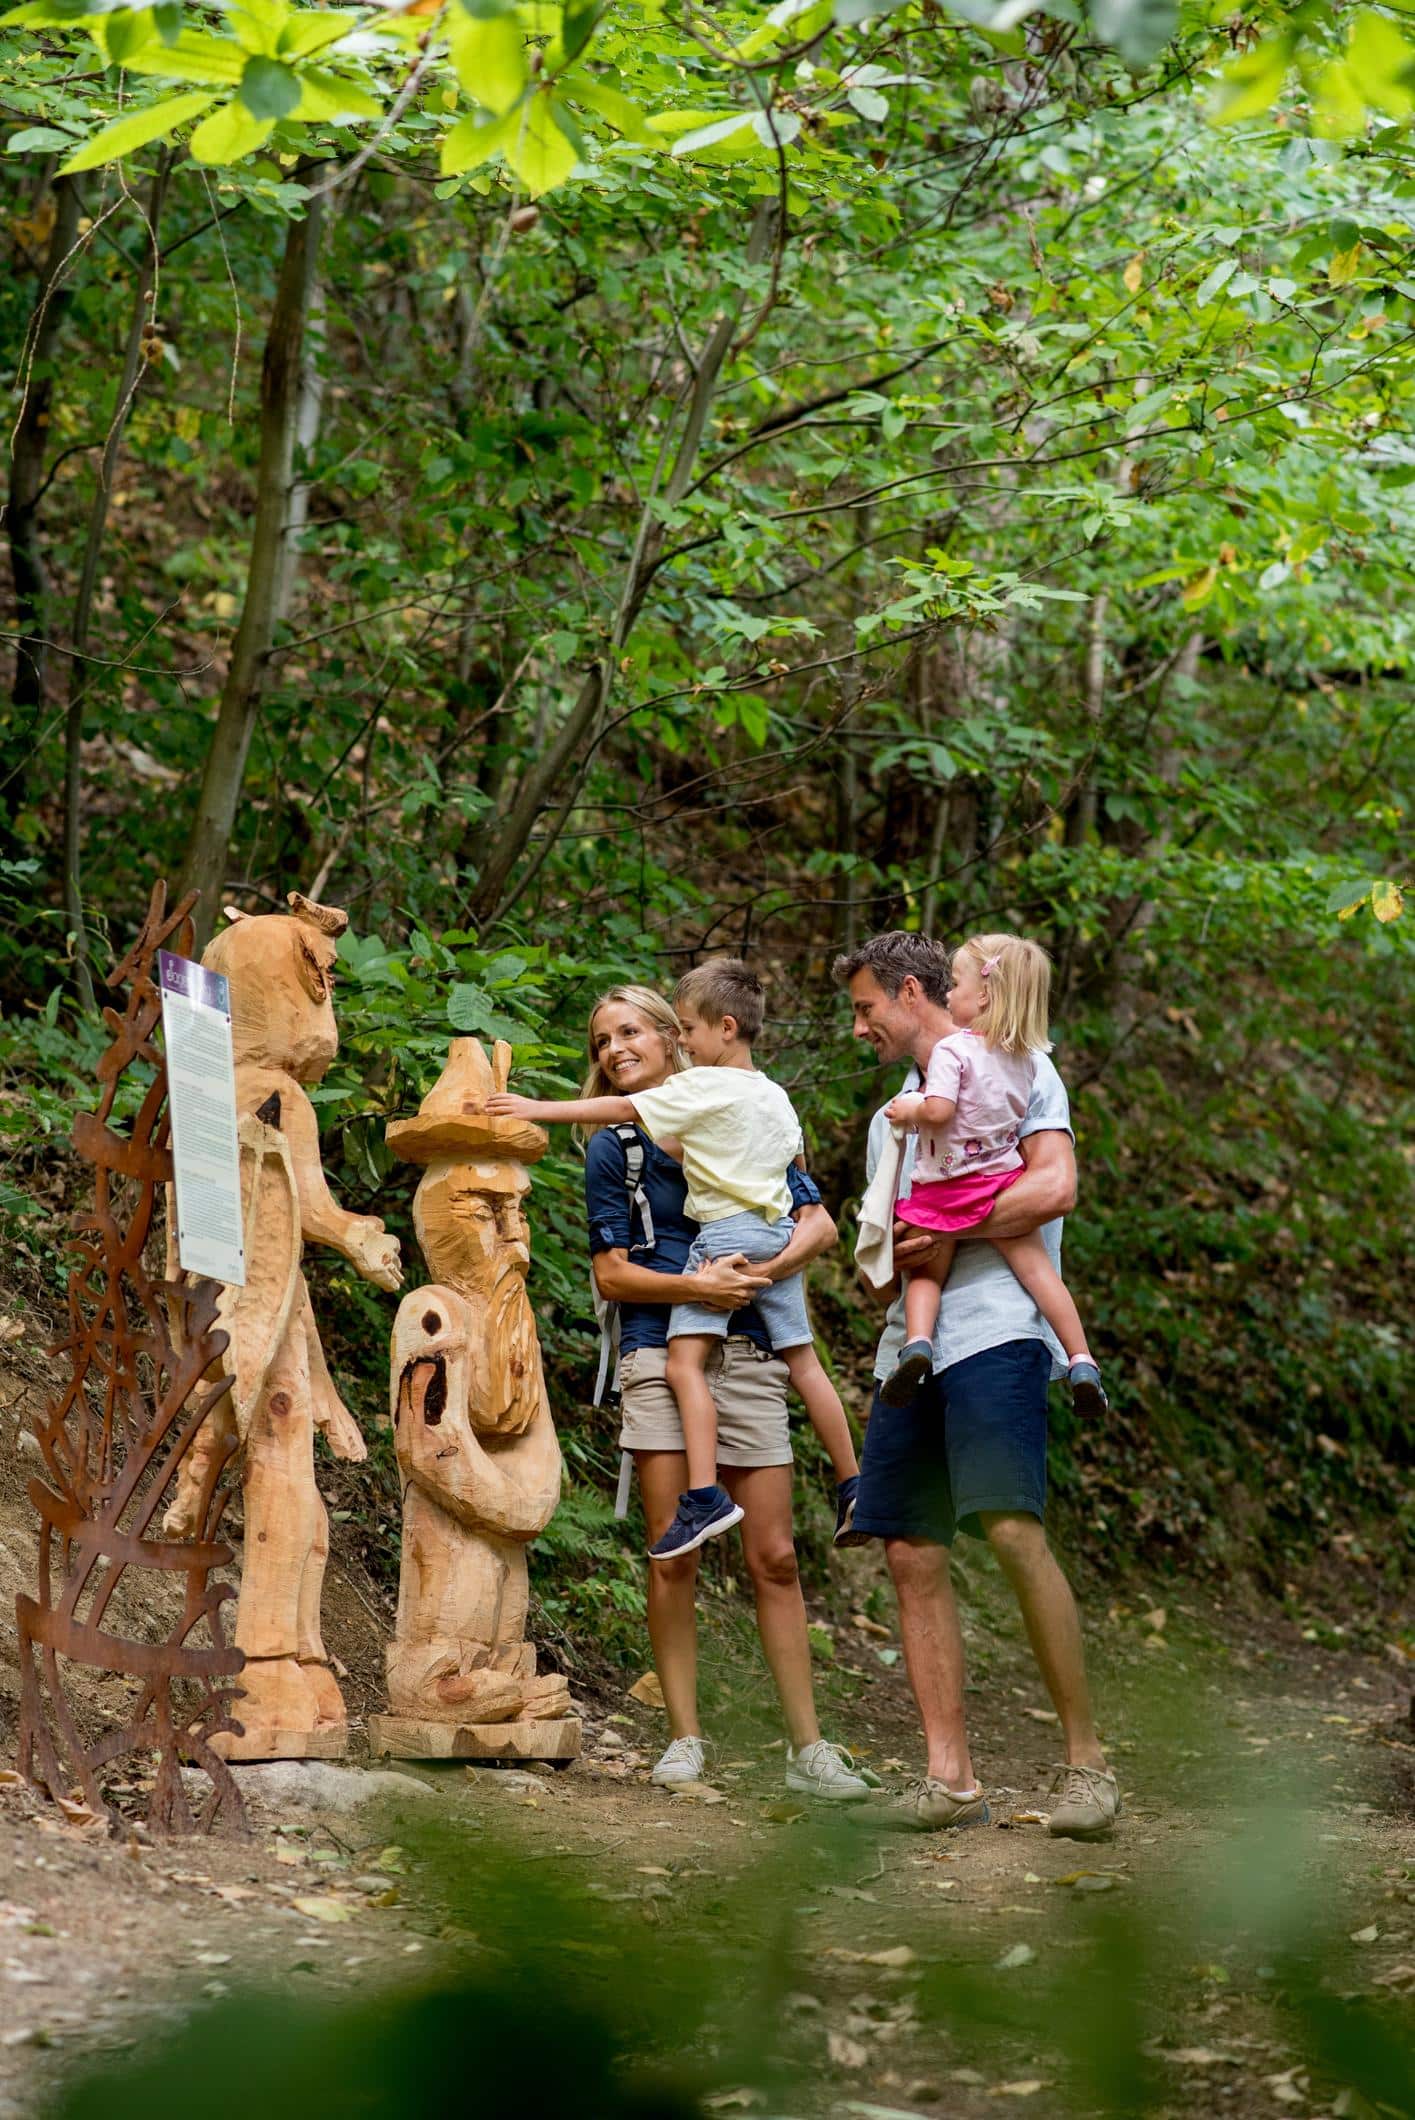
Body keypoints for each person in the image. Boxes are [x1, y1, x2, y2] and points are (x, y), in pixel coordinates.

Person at [834, 931, 1120, 1841]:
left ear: (915, 995)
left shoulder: (1025, 1068)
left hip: (999, 1329)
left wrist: (943, 1234)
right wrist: (899, 1258)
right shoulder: (892, 1118)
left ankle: (1088, 1768)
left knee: (1008, 1528)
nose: (858, 1028)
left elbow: (1054, 1188)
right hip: (906, 1348)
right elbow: (879, 1267)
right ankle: (949, 1778)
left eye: (866, 1008)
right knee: (910, 1550)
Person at [562, 982, 874, 1802]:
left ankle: (808, 1751)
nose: (614, 1049)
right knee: (675, 1553)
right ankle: (683, 1738)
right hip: (660, 1355)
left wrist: (758, 1276)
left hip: (753, 1353)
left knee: (774, 1555)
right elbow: (612, 1274)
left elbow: (814, 1220)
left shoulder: (740, 1110)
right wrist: (698, 1288)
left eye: (629, 1031)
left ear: (676, 1040)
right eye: (600, 1041)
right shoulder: (615, 1148)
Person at [489, 957, 860, 1562]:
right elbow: (790, 1185)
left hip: (726, 1256)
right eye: (601, 1042)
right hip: (766, 1243)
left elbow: (616, 1110)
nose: (613, 1050)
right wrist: (766, 1271)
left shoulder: (699, 1093)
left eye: (672, 1030)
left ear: (700, 1032)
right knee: (806, 1362)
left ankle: (706, 1496)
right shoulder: (770, 1096)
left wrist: (533, 1106)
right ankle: (854, 1484)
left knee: (683, 1366)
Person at [879, 931, 1107, 1416]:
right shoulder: (1026, 1060)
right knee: (1041, 1273)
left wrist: (909, 1109)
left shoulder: (952, 1052)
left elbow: (939, 1111)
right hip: (999, 1179)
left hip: (946, 1188)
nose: (948, 993)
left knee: (925, 1276)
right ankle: (1082, 1358)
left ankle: (917, 1343)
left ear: (983, 994)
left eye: (957, 983)